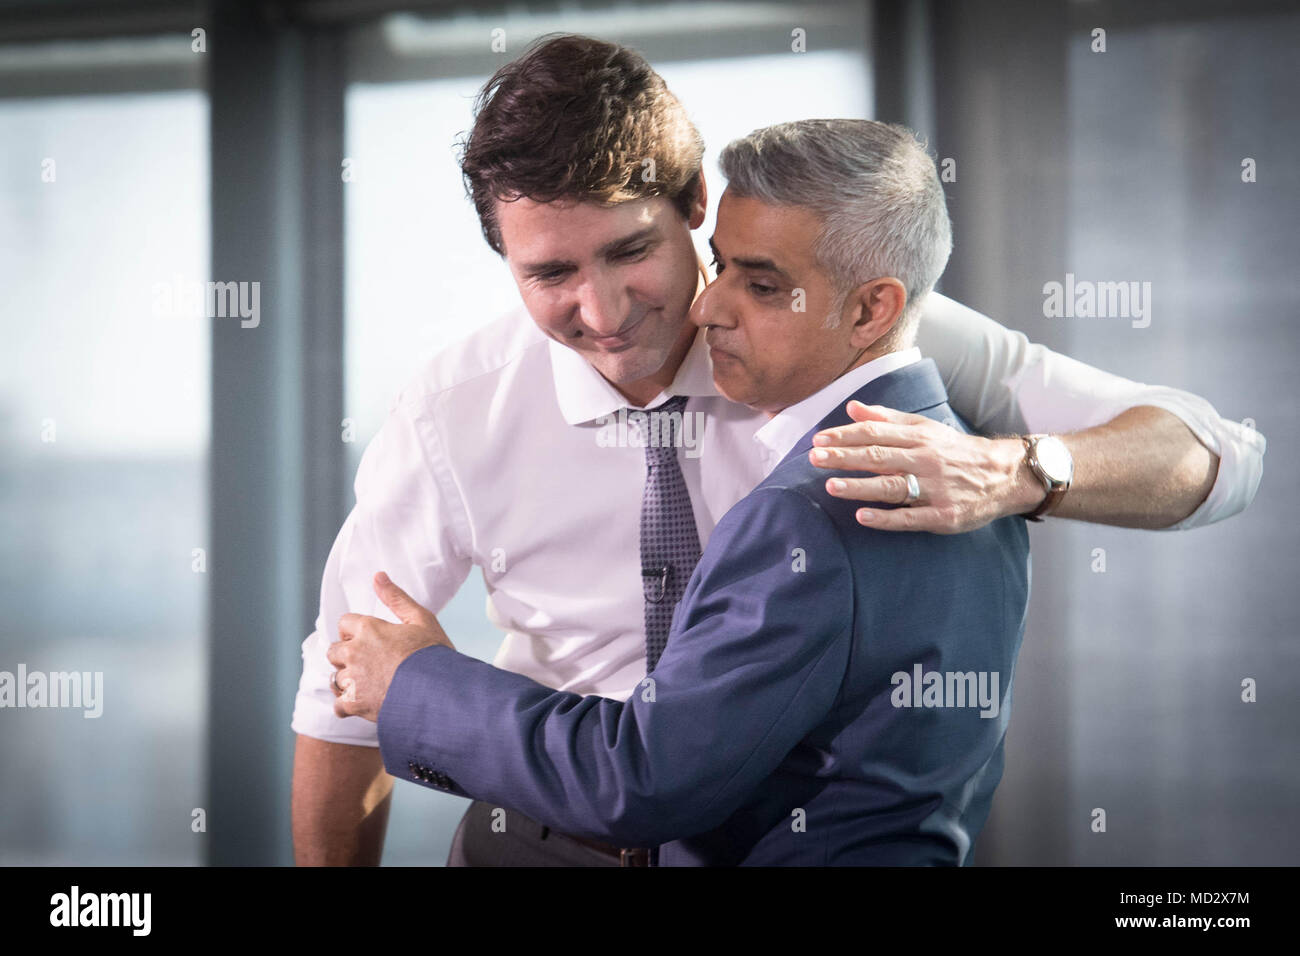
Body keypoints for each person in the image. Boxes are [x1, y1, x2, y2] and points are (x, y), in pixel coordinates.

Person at [292, 34, 1264, 867]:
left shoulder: (854, 321)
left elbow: (1217, 453)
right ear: (506, 262)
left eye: (631, 250)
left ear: (693, 208)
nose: (603, 310)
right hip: (539, 835)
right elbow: (343, 693)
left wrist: (1017, 470)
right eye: (549, 272)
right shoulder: (450, 410)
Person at [339, 117, 1021, 864]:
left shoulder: (804, 516)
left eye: (761, 285)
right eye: (719, 265)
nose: (708, 306)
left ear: (871, 310)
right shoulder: (983, 470)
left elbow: (640, 782)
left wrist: (415, 683)